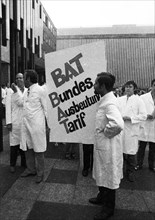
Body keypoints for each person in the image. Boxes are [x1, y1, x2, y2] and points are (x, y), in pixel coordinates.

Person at [89, 72, 124, 220]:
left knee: (109, 174)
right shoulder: (105, 100)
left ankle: (108, 209)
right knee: (102, 172)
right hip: (103, 146)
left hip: (109, 147)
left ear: (103, 86)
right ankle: (101, 197)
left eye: (96, 83)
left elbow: (118, 124)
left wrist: (105, 132)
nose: (94, 85)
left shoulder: (109, 103)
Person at [18, 69, 49, 183]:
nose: (23, 81)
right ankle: (31, 169)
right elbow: (22, 103)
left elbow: (46, 108)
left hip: (37, 125)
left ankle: (40, 173)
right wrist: (17, 90)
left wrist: (48, 125)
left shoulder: (40, 90)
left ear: (29, 79)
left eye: (24, 78)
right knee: (28, 148)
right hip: (26, 125)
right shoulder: (27, 91)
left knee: (39, 150)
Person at [117, 81, 147, 182]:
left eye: (130, 87)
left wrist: (130, 118)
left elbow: (143, 115)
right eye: (126, 87)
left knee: (131, 153)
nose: (128, 89)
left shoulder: (139, 100)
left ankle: (130, 172)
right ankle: (118, 172)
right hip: (120, 130)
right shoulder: (119, 99)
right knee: (119, 152)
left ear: (134, 88)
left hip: (131, 130)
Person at [5, 73, 27, 173]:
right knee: (14, 144)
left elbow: (25, 104)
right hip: (15, 122)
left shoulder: (27, 91)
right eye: (17, 78)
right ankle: (12, 164)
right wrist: (8, 122)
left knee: (24, 143)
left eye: (21, 78)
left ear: (24, 79)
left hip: (25, 121)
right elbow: (8, 107)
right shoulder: (10, 91)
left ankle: (24, 163)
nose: (19, 79)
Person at [135, 79, 155, 172]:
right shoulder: (143, 97)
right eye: (154, 85)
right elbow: (138, 110)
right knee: (142, 146)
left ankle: (152, 165)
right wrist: (146, 115)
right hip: (145, 124)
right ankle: (139, 164)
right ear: (151, 86)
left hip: (154, 125)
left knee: (153, 148)